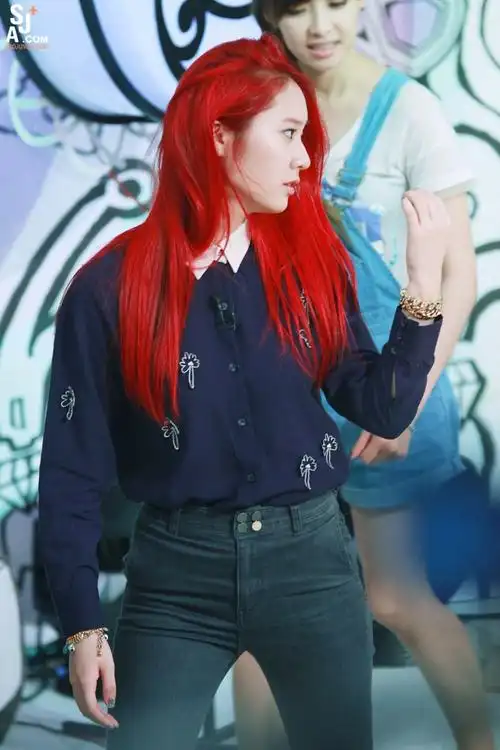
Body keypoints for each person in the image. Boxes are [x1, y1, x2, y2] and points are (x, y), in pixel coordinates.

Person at [38, 34, 449, 750]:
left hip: (312, 565)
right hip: (173, 579)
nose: (305, 159)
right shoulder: (107, 289)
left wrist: (422, 288)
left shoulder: (317, 262)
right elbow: (71, 470)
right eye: (288, 134)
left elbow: (380, 407)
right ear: (219, 136)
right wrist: (81, 623)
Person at [233, 3, 493, 750]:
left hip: (385, 381)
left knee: (395, 596)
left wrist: (403, 403)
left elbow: (459, 279)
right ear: (271, 15)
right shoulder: (256, 98)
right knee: (256, 610)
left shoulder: (409, 112)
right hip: (279, 387)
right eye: (297, 8)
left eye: (337, 2)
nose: (320, 25)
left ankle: (479, 740)